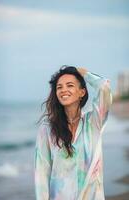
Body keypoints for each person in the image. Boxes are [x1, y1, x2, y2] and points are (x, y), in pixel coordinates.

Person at [34, 65, 112, 200]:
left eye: (70, 85)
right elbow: (41, 173)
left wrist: (85, 73)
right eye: (59, 87)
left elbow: (104, 87)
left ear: (81, 92)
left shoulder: (94, 122)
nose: (63, 90)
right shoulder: (47, 129)